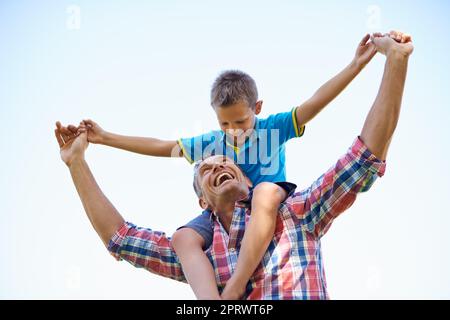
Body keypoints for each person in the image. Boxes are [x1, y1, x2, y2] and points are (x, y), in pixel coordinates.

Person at [55, 31, 413, 299]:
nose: (219, 160)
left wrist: (382, 63)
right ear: (202, 201)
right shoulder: (203, 246)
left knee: (268, 194)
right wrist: (86, 154)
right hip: (219, 235)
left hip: (272, 201)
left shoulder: (297, 212)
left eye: (226, 162)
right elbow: (122, 238)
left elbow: (361, 156)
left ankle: (236, 285)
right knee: (182, 236)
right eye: (206, 169)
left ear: (256, 110)